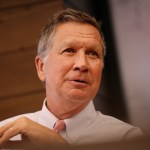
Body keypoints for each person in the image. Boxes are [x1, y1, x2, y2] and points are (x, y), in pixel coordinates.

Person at [0, 8, 143, 149]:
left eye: (93, 53)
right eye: (69, 50)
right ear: (41, 67)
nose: (82, 64)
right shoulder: (6, 135)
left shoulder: (128, 139)